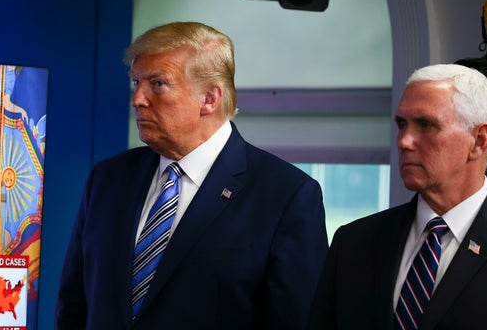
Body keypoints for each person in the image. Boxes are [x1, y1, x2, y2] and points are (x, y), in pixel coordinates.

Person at [56, 21, 329, 329]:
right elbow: (74, 305)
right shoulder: (108, 179)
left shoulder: (285, 195)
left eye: (158, 84)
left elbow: (298, 321)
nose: (138, 99)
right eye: (136, 82)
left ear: (210, 99)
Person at [307, 63, 487, 329]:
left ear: (479, 140)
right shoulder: (353, 244)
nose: (404, 141)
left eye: (426, 125)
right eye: (402, 125)